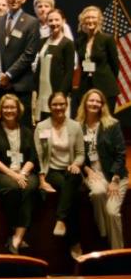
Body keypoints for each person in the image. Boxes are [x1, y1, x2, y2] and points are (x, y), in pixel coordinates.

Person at [0, 93, 38, 254]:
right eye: (6, 107)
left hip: (23, 172)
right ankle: (15, 231)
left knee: (30, 187)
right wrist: (14, 175)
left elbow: (33, 157)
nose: (9, 110)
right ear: (0, 109)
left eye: (12, 107)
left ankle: (17, 237)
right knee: (13, 187)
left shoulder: (27, 131)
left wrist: (22, 172)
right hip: (0, 173)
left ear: (18, 109)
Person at [34, 91, 84, 259]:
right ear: (49, 107)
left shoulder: (75, 126)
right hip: (52, 170)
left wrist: (76, 164)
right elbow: (39, 155)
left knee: (72, 180)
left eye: (61, 104)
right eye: (55, 104)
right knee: (71, 194)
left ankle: (61, 220)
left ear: (66, 105)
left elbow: (80, 153)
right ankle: (75, 242)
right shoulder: (42, 127)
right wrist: (41, 179)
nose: (58, 107)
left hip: (71, 169)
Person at [77, 88, 127, 249]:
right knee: (97, 192)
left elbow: (121, 154)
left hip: (115, 175)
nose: (95, 103)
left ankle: (118, 254)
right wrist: (87, 170)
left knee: (112, 212)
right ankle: (104, 234)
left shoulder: (112, 125)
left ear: (103, 105)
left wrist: (114, 180)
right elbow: (76, 153)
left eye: (98, 101)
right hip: (93, 174)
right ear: (85, 103)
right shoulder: (77, 126)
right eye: (91, 100)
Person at [0, 0, 40, 125]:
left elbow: (29, 54)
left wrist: (9, 75)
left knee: (22, 126)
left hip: (20, 85)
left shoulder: (32, 22)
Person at [75, 6, 119, 112]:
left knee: (106, 122)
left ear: (99, 20)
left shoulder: (107, 39)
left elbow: (115, 65)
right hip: (86, 86)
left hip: (106, 87)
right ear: (83, 21)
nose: (90, 20)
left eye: (93, 18)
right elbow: (81, 64)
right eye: (88, 18)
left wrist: (106, 79)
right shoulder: (80, 41)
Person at [34, 9, 75, 122]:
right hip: (42, 91)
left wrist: (61, 94)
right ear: (47, 23)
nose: (53, 23)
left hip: (57, 91)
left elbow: (69, 72)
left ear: (63, 21)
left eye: (57, 20)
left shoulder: (67, 43)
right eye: (50, 20)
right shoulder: (42, 41)